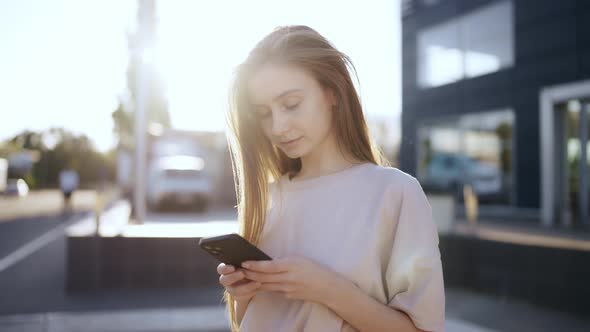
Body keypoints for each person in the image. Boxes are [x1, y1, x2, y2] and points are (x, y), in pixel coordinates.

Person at [218, 25, 445, 332]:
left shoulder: (395, 193)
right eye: (264, 113)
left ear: (332, 92)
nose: (278, 127)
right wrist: (241, 294)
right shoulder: (269, 200)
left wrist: (327, 289)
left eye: (291, 104)